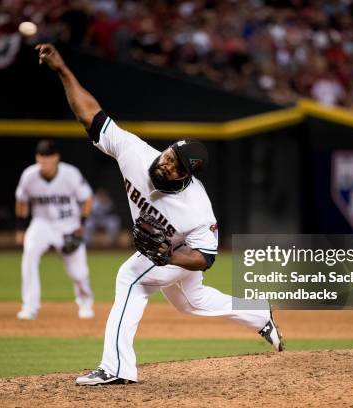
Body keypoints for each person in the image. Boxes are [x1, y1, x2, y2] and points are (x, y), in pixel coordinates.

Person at [35, 43, 283, 386]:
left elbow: (206, 257)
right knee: (190, 302)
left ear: (186, 176)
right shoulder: (134, 152)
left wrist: (172, 255)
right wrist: (62, 70)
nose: (166, 164)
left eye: (175, 167)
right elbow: (89, 114)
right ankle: (258, 312)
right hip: (169, 249)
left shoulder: (197, 207)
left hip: (178, 250)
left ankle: (117, 367)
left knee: (130, 277)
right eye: (169, 155)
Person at [15, 139, 95, 320]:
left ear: (56, 158)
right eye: (40, 158)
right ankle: (30, 306)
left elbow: (88, 199)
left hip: (68, 224)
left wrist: (81, 224)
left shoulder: (70, 174)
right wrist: (20, 229)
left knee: (79, 272)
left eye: (47, 158)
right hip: (41, 223)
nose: (43, 162)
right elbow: (21, 201)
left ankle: (85, 303)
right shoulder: (29, 175)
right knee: (29, 255)